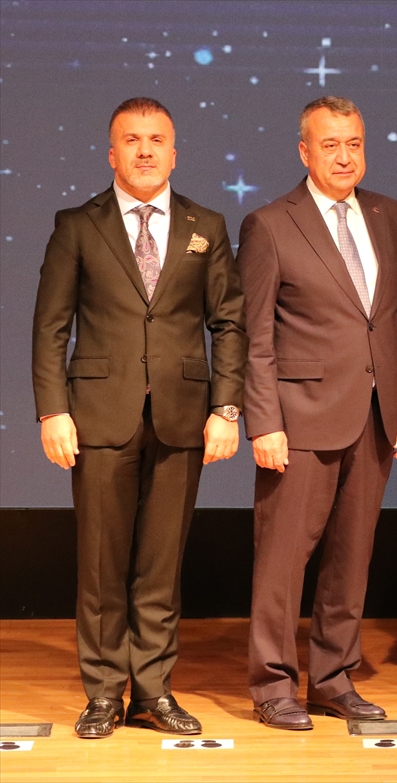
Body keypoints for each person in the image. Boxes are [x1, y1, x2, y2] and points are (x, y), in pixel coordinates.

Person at [32, 97, 246, 738]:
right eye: (132, 139)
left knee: (160, 564)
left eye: (156, 140)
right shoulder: (78, 225)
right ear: (112, 153)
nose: (145, 150)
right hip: (99, 416)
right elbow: (50, 328)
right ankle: (103, 694)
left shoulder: (207, 224)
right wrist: (52, 410)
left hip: (183, 416)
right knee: (101, 564)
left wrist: (226, 408)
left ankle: (153, 691)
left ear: (174, 153)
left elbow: (228, 323)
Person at [239, 96, 397, 730]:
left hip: (375, 416)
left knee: (351, 557)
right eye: (330, 145)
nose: (345, 157)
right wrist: (264, 421)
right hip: (298, 420)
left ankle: (333, 678)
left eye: (354, 144)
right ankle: (273, 686)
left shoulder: (388, 214)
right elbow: (254, 336)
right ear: (304, 151)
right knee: (282, 562)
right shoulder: (270, 224)